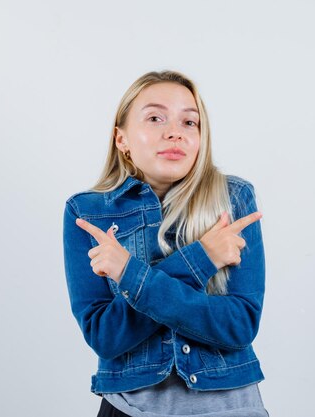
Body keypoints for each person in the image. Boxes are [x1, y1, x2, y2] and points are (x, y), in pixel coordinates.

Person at [62, 70, 269, 417]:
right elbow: (106, 337)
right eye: (155, 118)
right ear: (121, 138)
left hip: (230, 407)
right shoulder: (87, 213)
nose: (175, 131)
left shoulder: (234, 199)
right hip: (127, 408)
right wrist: (203, 258)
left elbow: (239, 326)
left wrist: (130, 274)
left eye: (190, 122)